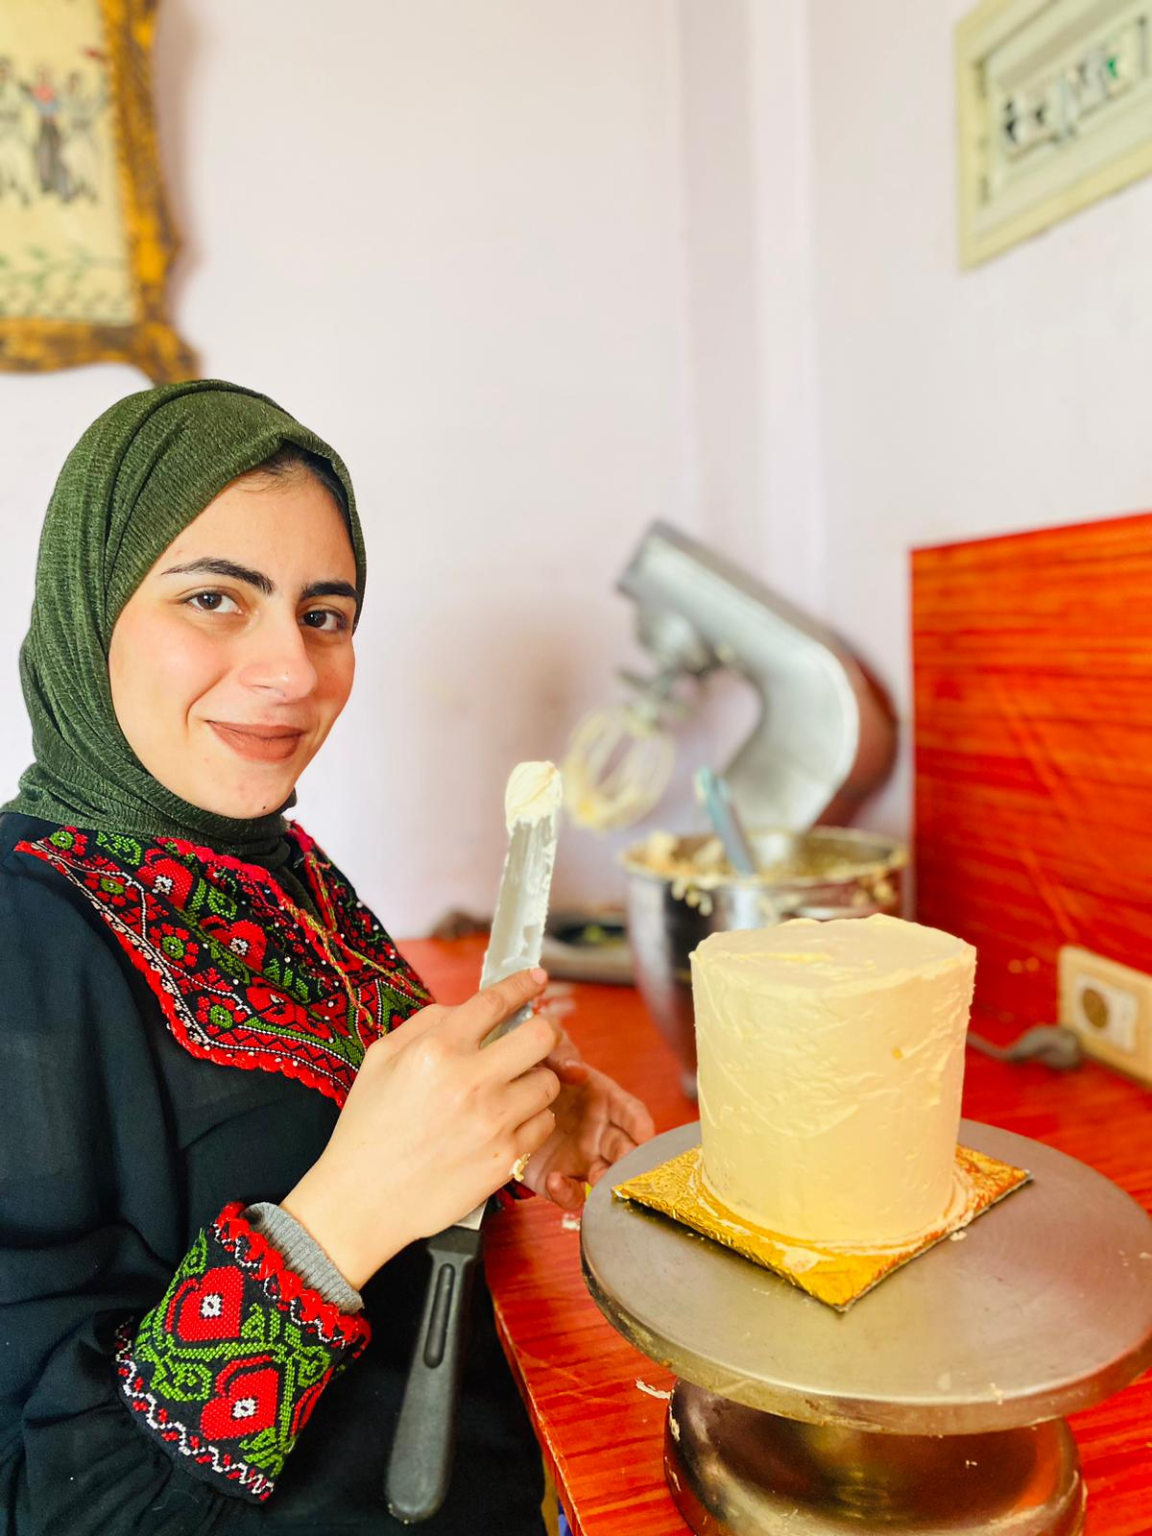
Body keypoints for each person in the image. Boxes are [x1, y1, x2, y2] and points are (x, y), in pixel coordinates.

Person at [0, 380, 655, 1533]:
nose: (294, 672)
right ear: (88, 602)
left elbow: (324, 1107)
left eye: (325, 614)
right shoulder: (21, 942)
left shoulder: (271, 860)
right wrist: (340, 1219)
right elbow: (55, 1498)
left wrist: (503, 1122)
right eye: (214, 599)